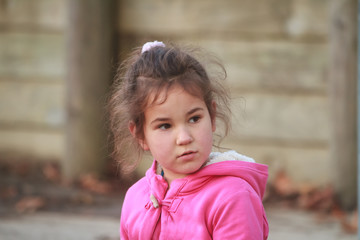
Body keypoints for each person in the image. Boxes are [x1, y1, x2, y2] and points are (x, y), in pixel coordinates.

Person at [108, 41, 269, 239]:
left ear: (211, 115)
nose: (184, 138)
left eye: (194, 119)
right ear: (140, 135)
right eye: (165, 126)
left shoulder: (233, 197)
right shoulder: (135, 198)